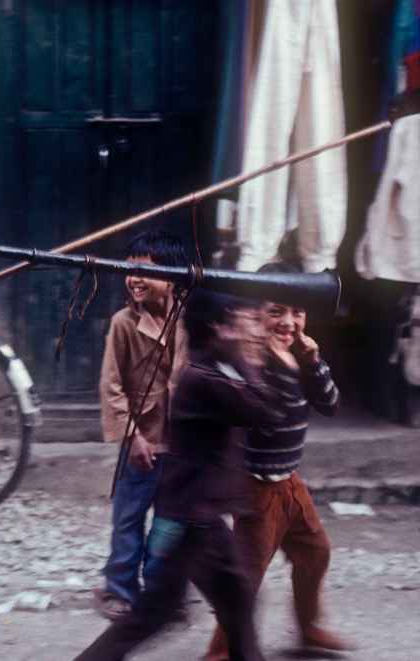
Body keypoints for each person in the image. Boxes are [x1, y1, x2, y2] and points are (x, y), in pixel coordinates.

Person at [74, 289, 285, 661]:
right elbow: (266, 412)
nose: (252, 331)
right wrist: (258, 362)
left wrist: (245, 358)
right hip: (194, 521)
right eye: (242, 322)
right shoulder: (205, 379)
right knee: (168, 611)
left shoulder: (214, 371)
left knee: (222, 604)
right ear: (219, 328)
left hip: (196, 517)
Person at [203, 262, 353, 660]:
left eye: (297, 312)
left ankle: (309, 629)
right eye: (276, 312)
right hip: (254, 488)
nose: (289, 322)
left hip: (289, 481)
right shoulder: (251, 360)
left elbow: (331, 404)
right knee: (246, 578)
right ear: (256, 314)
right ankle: (220, 651)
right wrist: (289, 367)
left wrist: (314, 361)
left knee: (316, 552)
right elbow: (272, 417)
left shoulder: (299, 354)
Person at [93, 230, 188, 620]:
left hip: (181, 443)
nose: (133, 278)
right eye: (129, 270)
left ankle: (163, 592)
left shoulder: (191, 321)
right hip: (141, 440)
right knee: (129, 518)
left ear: (172, 276)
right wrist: (132, 437)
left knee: (171, 524)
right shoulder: (123, 324)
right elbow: (111, 386)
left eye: (144, 271)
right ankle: (119, 589)